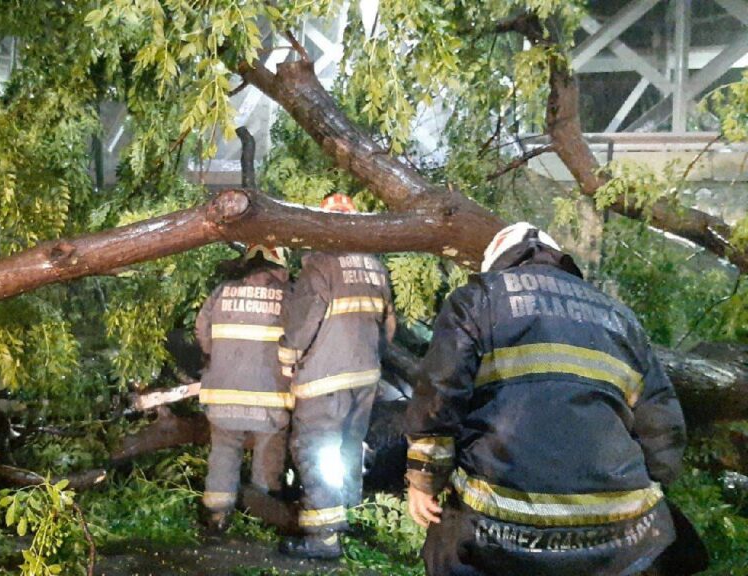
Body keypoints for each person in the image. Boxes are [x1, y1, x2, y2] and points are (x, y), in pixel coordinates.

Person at [405, 222, 689, 576]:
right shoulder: (620, 317)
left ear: (498, 263)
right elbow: (663, 430)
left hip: (497, 532)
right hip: (620, 537)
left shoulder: (479, 299)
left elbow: (439, 395)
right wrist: (656, 478)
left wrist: (424, 481)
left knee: (446, 544)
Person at [277, 193, 396, 559]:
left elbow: (302, 322)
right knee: (346, 450)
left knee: (315, 450)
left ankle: (324, 538)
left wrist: (287, 359)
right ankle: (350, 519)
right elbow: (388, 326)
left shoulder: (321, 265)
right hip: (364, 379)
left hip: (325, 380)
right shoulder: (376, 268)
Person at [195, 244, 293, 533]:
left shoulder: (222, 291)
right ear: (280, 266)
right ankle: (262, 516)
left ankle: (217, 515)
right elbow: (302, 337)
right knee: (269, 451)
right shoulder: (290, 297)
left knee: (224, 450)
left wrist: (220, 358)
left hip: (222, 393)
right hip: (271, 396)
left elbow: (202, 332)